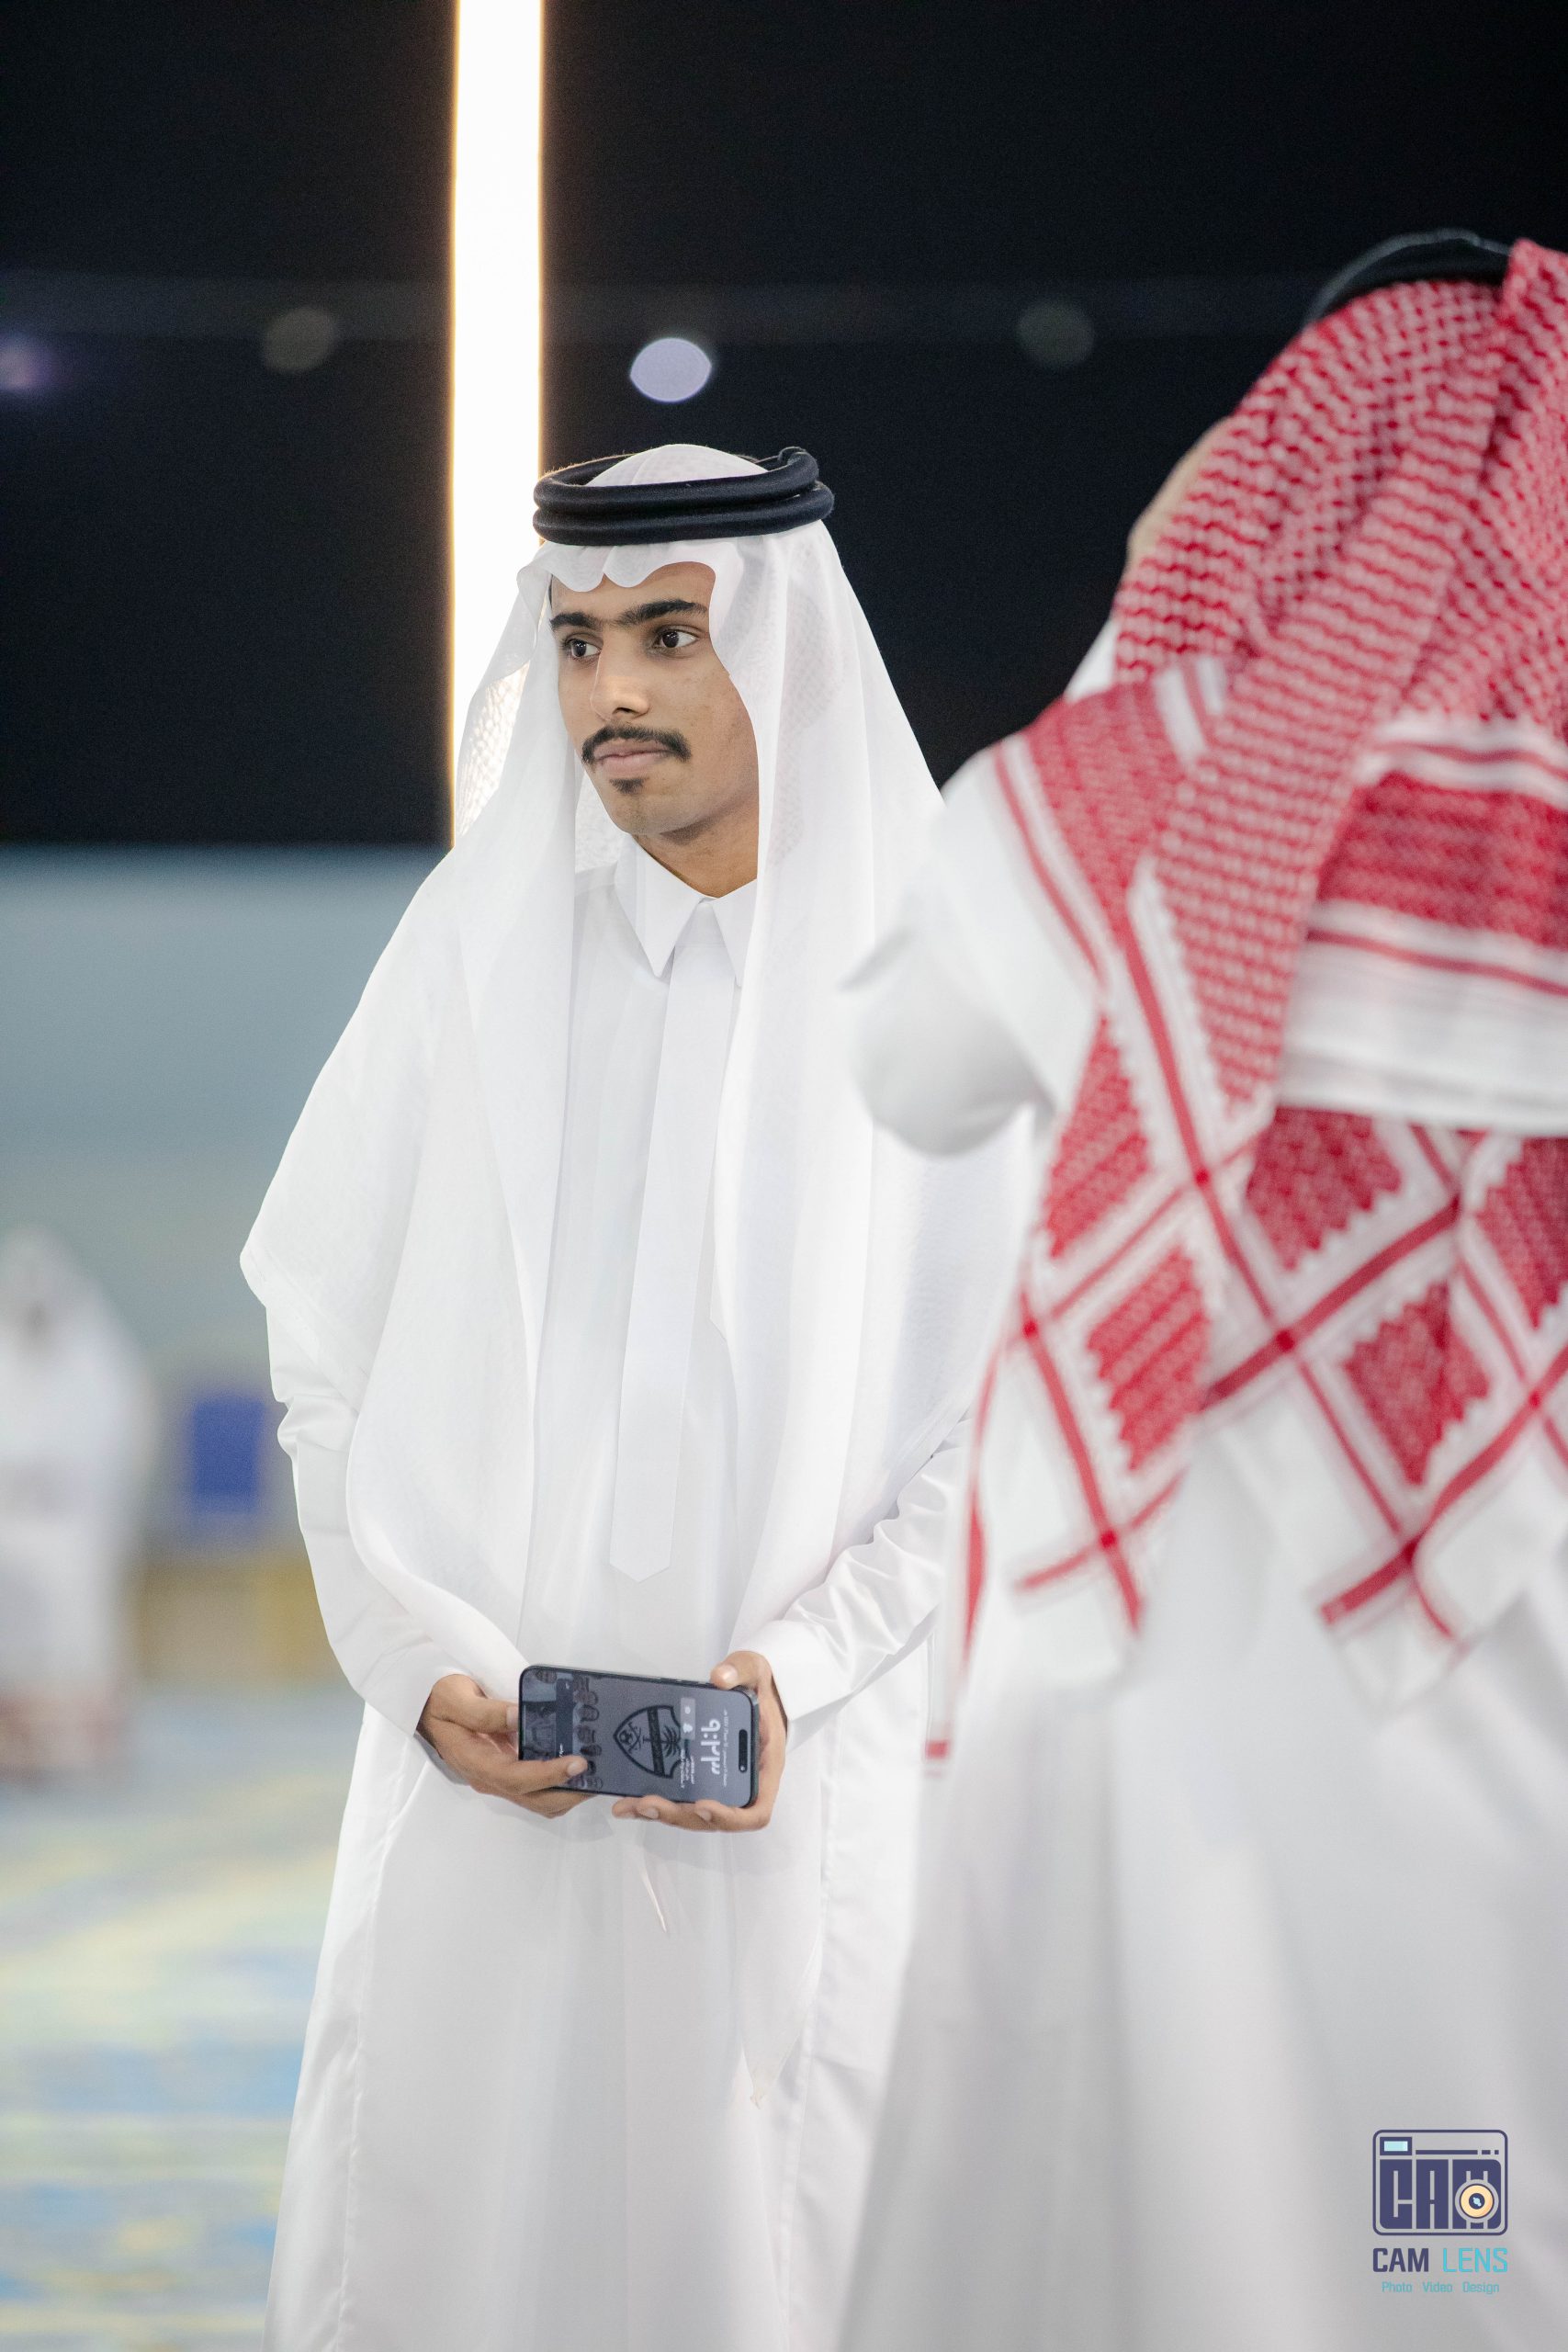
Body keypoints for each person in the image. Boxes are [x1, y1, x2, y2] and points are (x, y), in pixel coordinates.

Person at [840, 238, 1568, 2351]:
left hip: (1138, 1639)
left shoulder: (1120, 785)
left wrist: (1148, 645)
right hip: (1498, 1637)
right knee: (1444, 2194)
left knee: (1139, 2203)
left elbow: (903, 1065)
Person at [241, 444, 1021, 2352]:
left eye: (670, 635)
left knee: (775, 2264)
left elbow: (991, 1421)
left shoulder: (938, 991)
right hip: (478, 1784)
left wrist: (794, 1673)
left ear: (785, 652)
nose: (614, 691)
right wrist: (413, 1661)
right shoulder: (469, 956)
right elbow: (322, 1354)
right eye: (580, 642)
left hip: (800, 1790)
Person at [0, 1227, 155, 1773]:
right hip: (9, 1518)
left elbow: (122, 1452)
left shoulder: (100, 1363)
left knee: (81, 1619)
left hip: (74, 1520)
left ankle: (90, 1738)